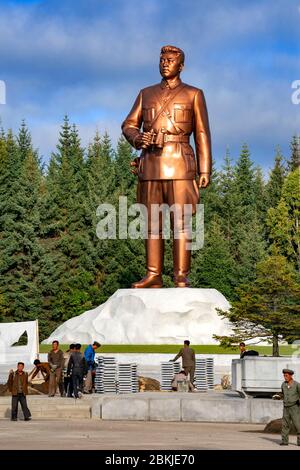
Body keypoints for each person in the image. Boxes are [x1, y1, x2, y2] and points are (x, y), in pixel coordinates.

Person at [122, 45, 212, 288]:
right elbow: (128, 125)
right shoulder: (145, 94)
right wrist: (138, 138)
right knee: (152, 222)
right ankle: (154, 274)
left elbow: (202, 133)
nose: (165, 63)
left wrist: (205, 170)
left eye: (171, 60)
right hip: (150, 164)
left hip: (181, 163)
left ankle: (181, 274)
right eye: (162, 60)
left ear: (180, 66)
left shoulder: (193, 94)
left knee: (181, 222)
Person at [280, 368, 300, 446]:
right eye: (284, 376)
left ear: (291, 376)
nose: (285, 377)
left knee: (298, 425)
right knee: (285, 425)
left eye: (286, 376)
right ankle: (284, 441)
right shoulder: (283, 385)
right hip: (286, 408)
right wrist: (278, 396)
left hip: (295, 407)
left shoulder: (297, 385)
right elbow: (282, 394)